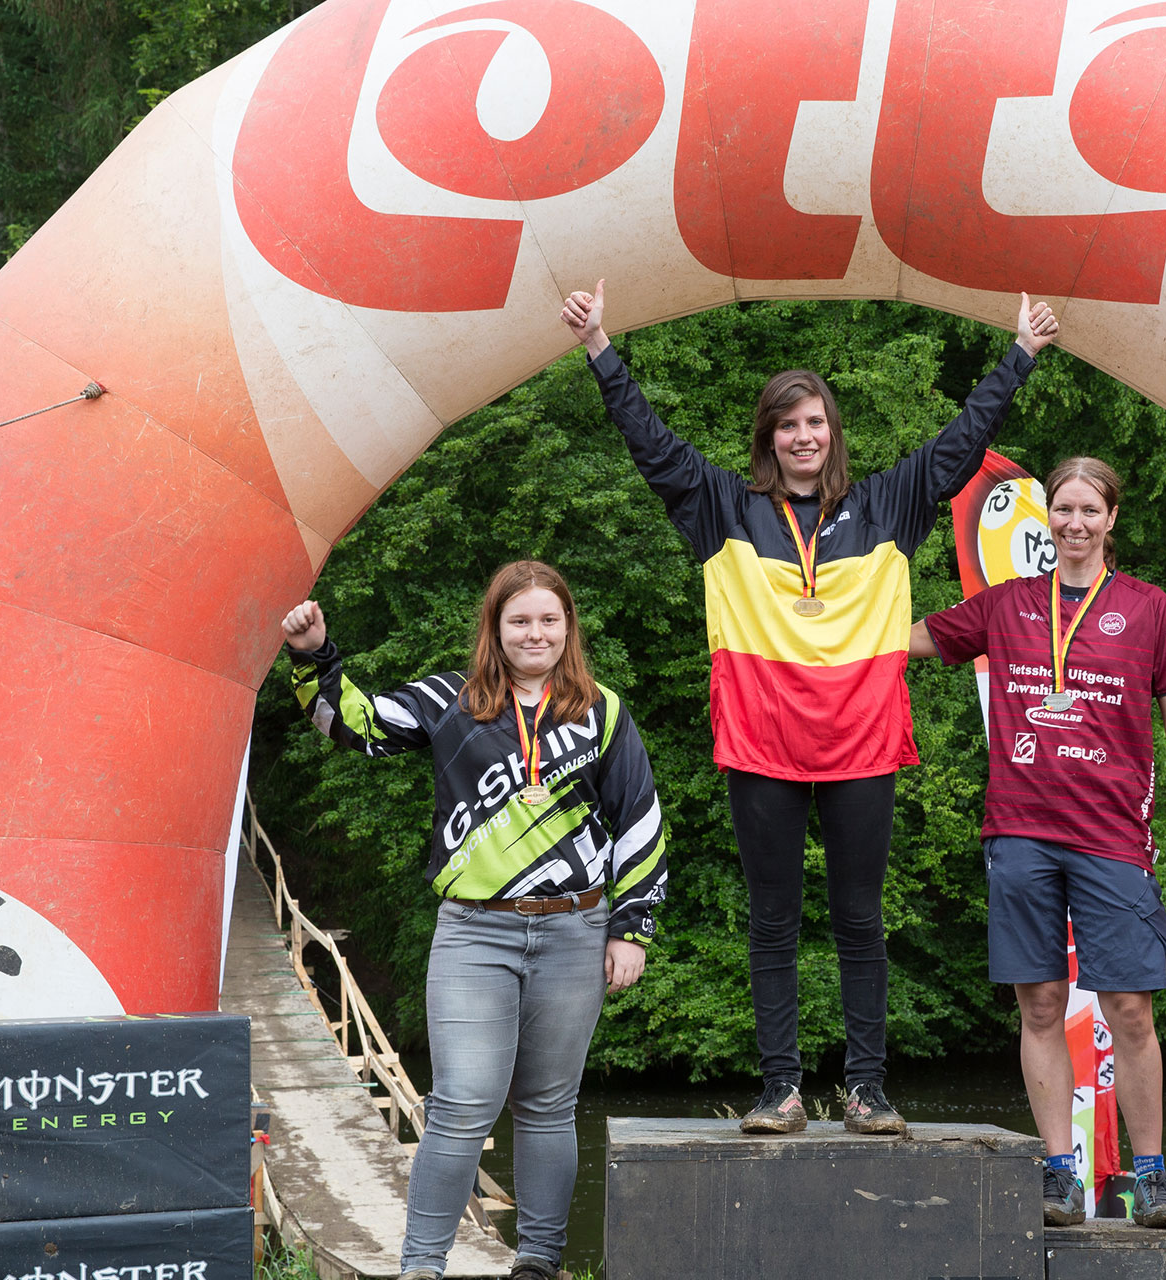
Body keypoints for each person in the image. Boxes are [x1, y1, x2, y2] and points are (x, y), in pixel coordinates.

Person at [560, 281, 1059, 1135]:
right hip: (762, 749)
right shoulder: (727, 509)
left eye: (815, 423)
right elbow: (652, 447)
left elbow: (961, 442)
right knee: (773, 925)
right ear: (770, 438)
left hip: (862, 747)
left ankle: (866, 1089)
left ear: (832, 434)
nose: (802, 437)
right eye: (787, 425)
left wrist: (1018, 355)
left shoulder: (891, 502)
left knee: (862, 921)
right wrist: (602, 346)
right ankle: (779, 1090)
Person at [280, 561, 667, 1280]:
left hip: (575, 929)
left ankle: (539, 1264)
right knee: (462, 1103)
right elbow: (354, 727)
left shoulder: (602, 710)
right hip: (474, 932)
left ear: (568, 628)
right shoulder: (448, 701)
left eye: (549, 620)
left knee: (550, 1105)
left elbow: (639, 819)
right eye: (519, 620)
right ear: (494, 628)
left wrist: (632, 927)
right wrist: (313, 656)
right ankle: (422, 1266)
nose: (535, 633)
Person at [909, 456, 1166, 1229]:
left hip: (1113, 835)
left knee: (1131, 1008)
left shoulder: (1149, 608)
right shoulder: (1004, 604)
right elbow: (903, 641)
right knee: (1040, 1004)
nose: (1074, 523)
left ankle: (1150, 1177)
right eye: (1063, 509)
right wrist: (812, 618)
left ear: (1112, 519)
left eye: (1089, 510)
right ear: (1047, 518)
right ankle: (1059, 1175)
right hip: (1019, 831)